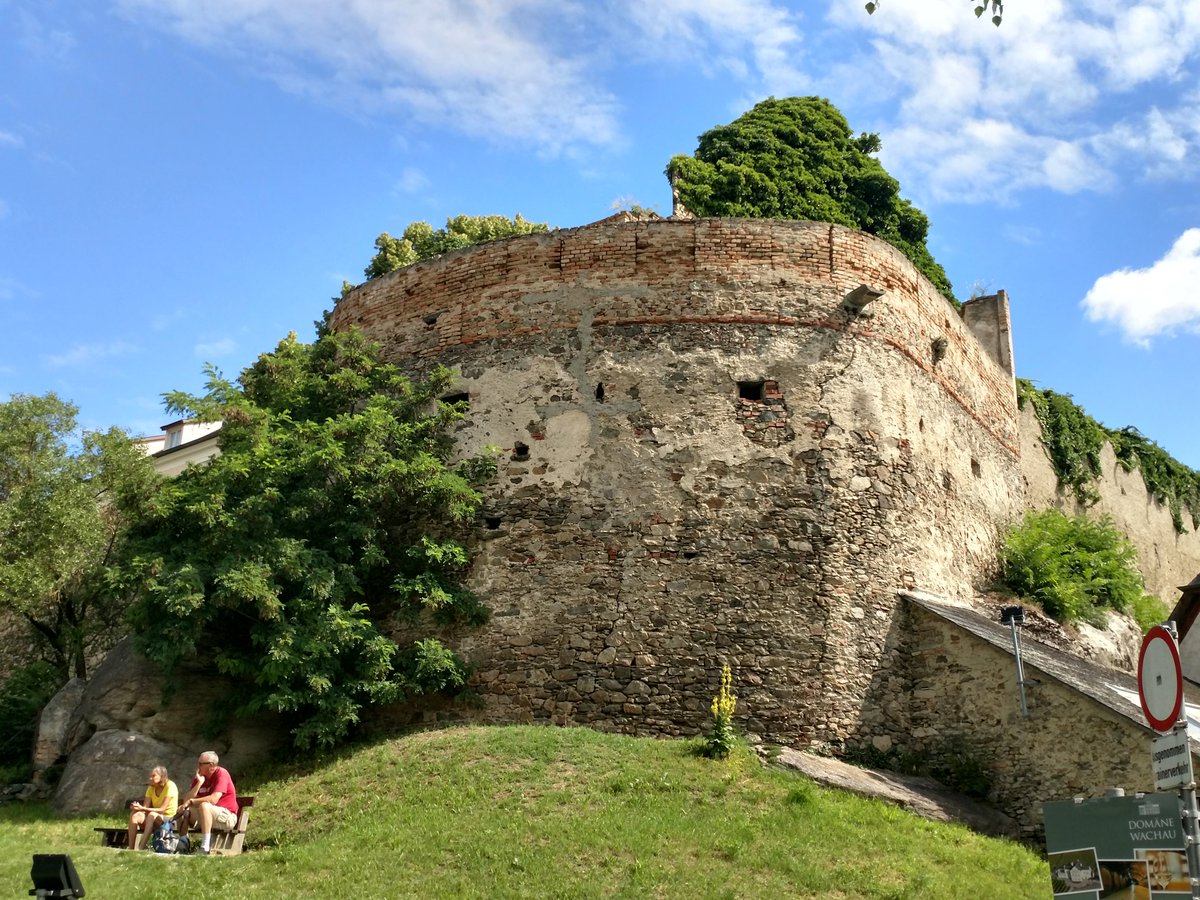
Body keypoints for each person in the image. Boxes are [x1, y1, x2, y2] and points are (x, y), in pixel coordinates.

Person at [176, 750, 239, 856]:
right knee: (182, 809)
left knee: (204, 805)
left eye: (201, 763)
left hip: (227, 817)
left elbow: (214, 799)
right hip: (207, 816)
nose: (198, 766)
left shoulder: (221, 773)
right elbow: (185, 801)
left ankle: (205, 847)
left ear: (211, 765)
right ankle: (183, 844)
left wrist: (193, 801)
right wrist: (199, 784)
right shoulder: (200, 777)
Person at [126, 765, 179, 850]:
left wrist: (143, 809)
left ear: (162, 776)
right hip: (154, 819)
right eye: (150, 776)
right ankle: (131, 848)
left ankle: (141, 847)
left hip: (169, 820)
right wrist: (137, 808)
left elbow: (162, 809)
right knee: (135, 815)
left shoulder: (170, 786)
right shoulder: (151, 788)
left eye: (153, 776)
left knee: (152, 815)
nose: (150, 778)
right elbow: (145, 807)